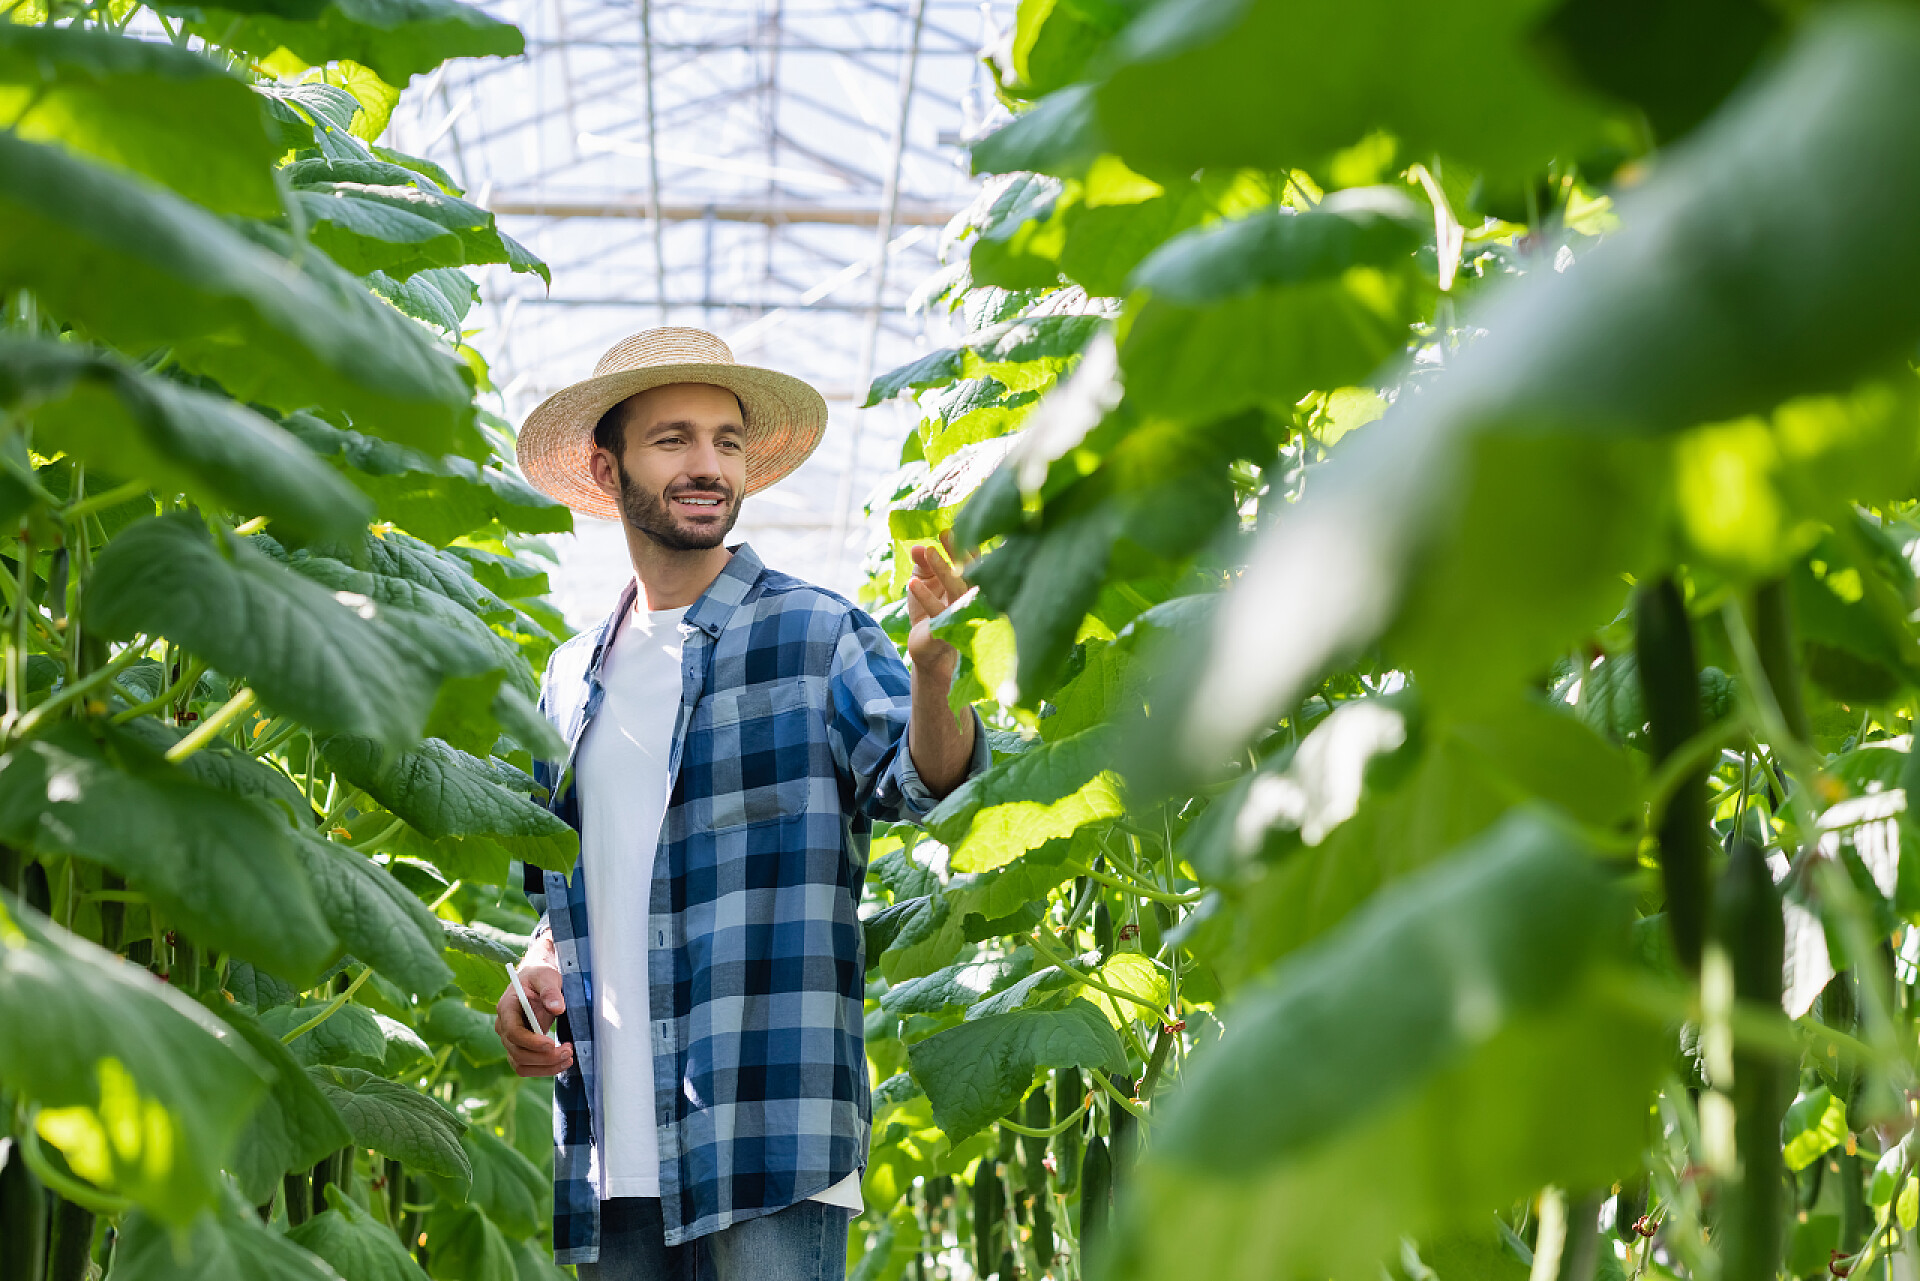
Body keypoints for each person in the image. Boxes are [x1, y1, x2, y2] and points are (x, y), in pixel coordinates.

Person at [493, 327, 986, 1280]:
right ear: (609, 464)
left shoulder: (819, 631)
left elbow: (924, 781)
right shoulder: (567, 676)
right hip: (613, 1154)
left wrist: (936, 678)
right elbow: (559, 888)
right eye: (673, 438)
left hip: (770, 1138)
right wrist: (532, 974)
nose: (707, 464)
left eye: (726, 439)